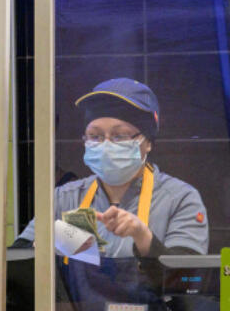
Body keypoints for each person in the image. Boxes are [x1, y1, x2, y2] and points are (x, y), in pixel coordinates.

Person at [15, 77, 208, 257]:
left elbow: (185, 279)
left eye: (120, 136)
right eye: (95, 136)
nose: (106, 146)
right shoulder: (64, 198)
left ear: (147, 141)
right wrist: (52, 243)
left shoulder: (180, 199)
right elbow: (17, 260)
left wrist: (143, 237)